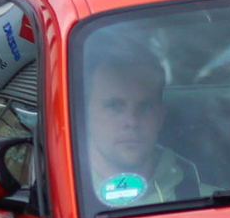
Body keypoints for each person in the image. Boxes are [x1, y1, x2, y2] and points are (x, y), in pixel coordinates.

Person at [81, 33, 201, 208]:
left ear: (160, 117)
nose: (132, 121)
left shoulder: (213, 205)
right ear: (86, 114)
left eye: (144, 106)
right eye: (114, 106)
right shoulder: (58, 204)